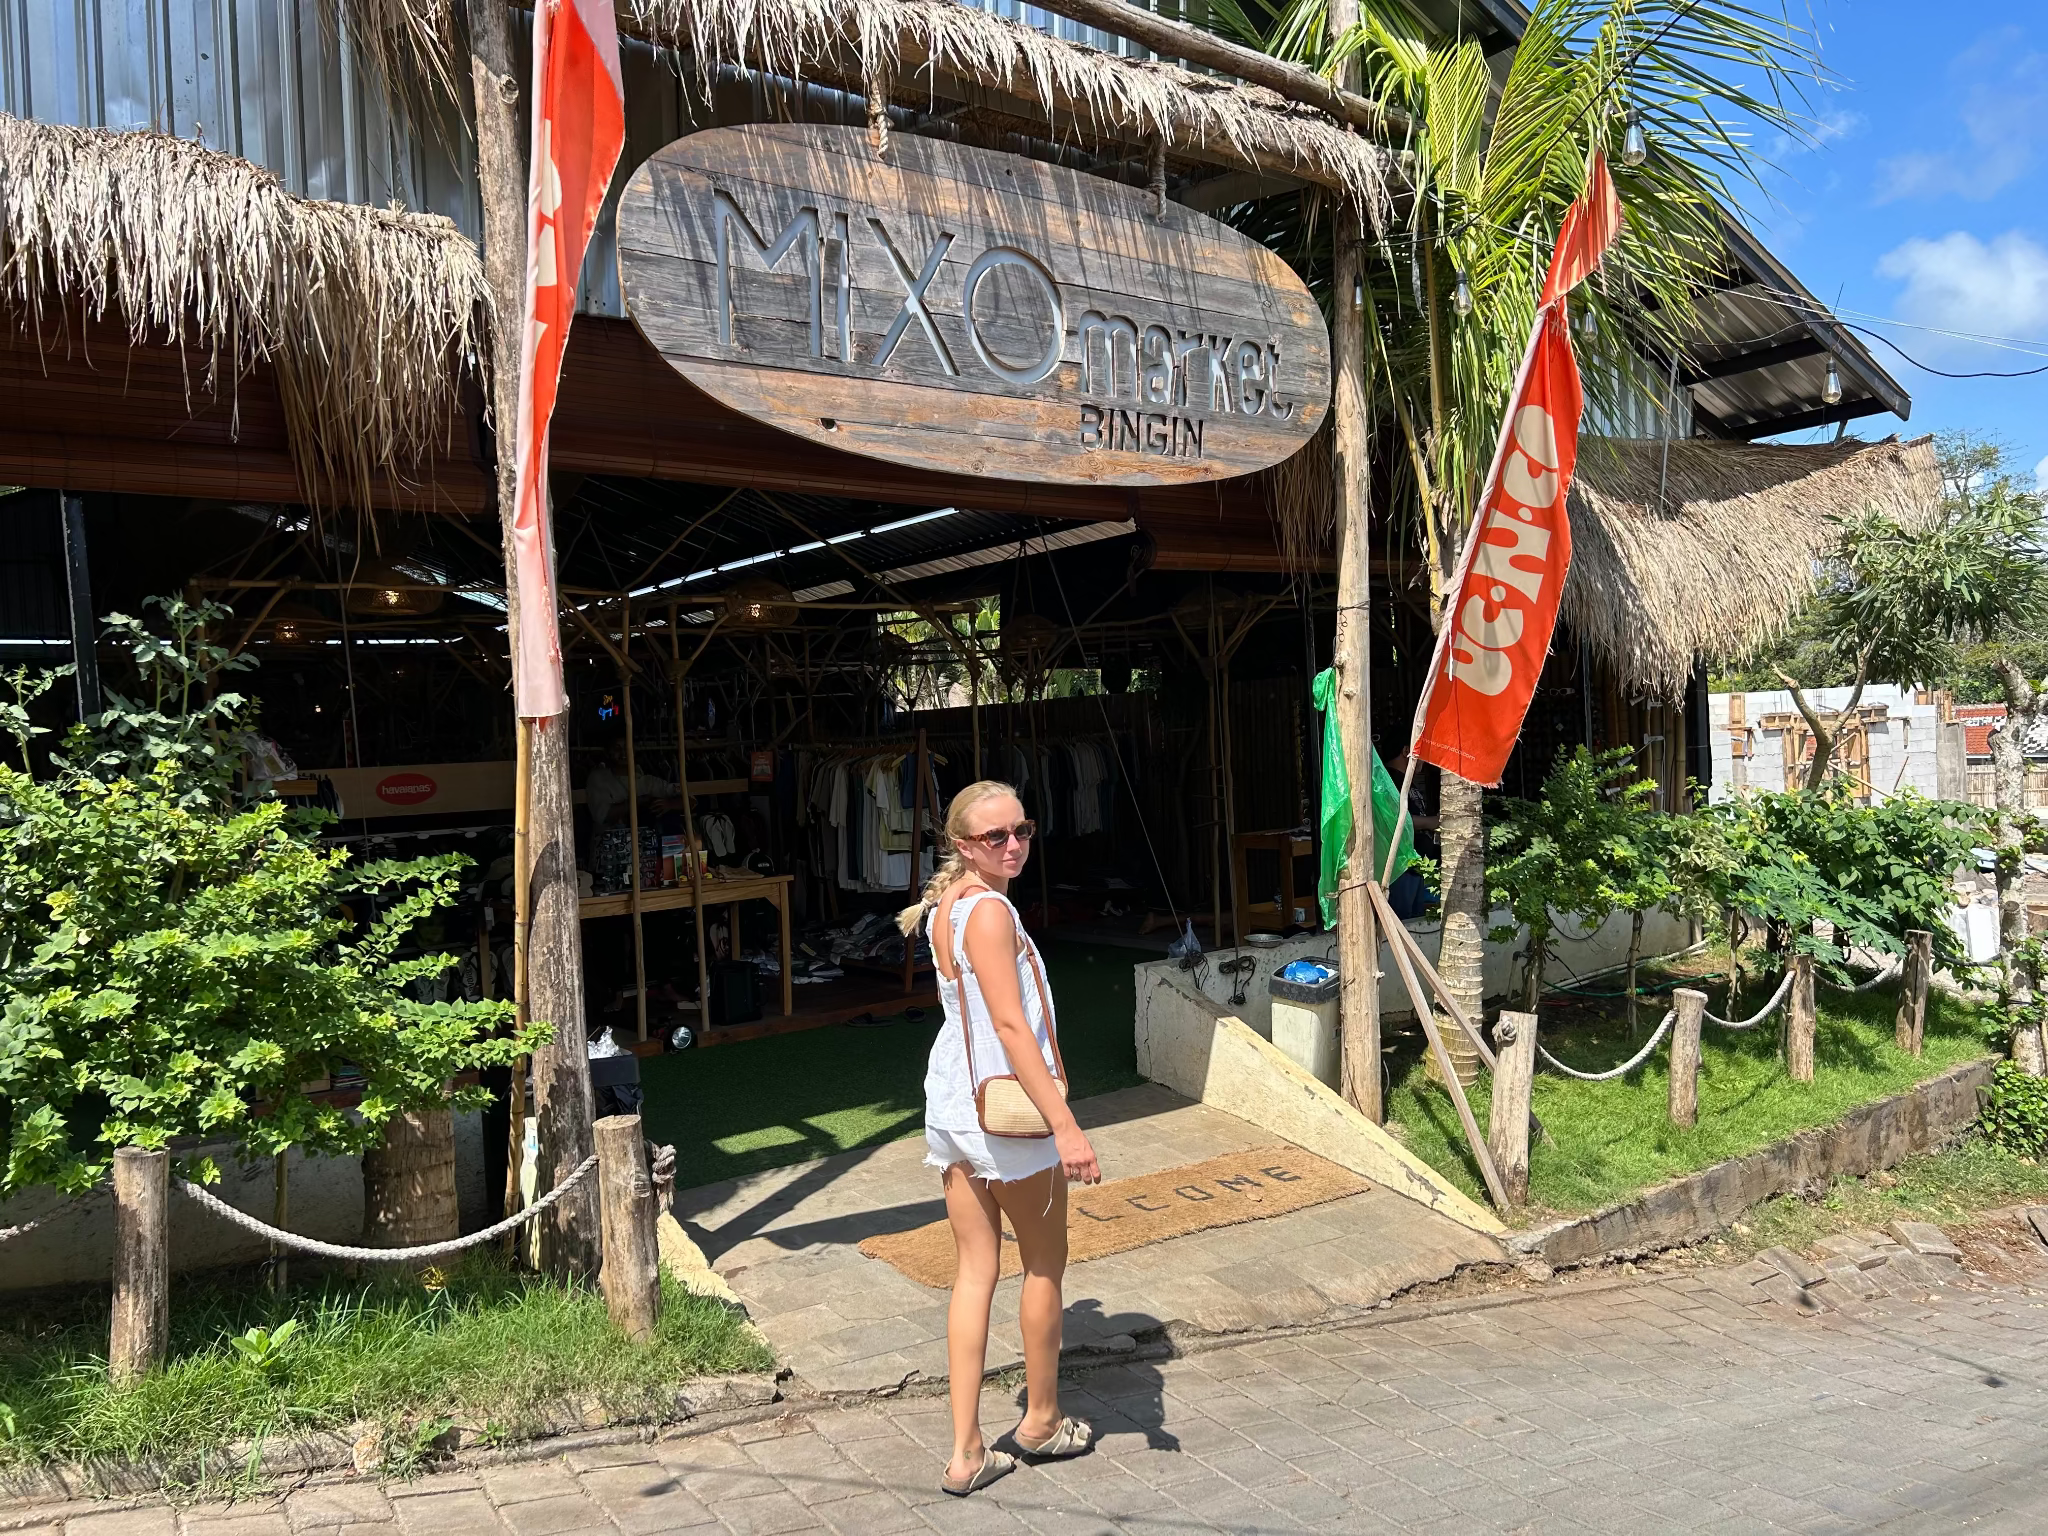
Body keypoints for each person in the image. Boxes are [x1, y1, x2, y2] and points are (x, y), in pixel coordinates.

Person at [897, 780, 1102, 1496]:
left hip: (957, 1099)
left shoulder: (945, 906)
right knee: (1044, 1264)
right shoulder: (987, 911)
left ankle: (965, 1452)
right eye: (995, 837)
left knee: (975, 1270)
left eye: (1022, 830)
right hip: (1006, 1111)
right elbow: (1014, 1030)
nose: (1012, 845)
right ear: (962, 845)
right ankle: (1039, 1420)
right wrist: (1068, 1126)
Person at [585, 736, 684, 827]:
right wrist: (640, 801)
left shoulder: (647, 781)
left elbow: (690, 800)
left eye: (627, 747)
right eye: (616, 749)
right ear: (608, 753)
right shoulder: (598, 778)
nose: (623, 752)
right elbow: (603, 816)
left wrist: (670, 804)